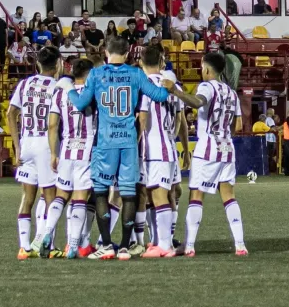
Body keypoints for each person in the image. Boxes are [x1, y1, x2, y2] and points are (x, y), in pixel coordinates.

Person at [57, 37, 170, 261]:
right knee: (128, 193)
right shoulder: (136, 74)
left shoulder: (97, 74)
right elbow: (160, 96)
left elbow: (80, 105)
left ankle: (107, 244)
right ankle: (126, 247)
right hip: (128, 141)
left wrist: (69, 87)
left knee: (100, 191)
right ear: (128, 54)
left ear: (106, 52)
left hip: (105, 142)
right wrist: (168, 85)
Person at [159, 52, 246, 257]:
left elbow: (197, 102)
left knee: (196, 196)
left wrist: (175, 91)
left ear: (206, 69)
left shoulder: (206, 86)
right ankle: (240, 245)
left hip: (207, 148)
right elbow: (239, 125)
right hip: (227, 148)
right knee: (229, 197)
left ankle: (188, 246)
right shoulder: (231, 92)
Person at [35, 59, 97, 259]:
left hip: (67, 149)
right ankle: (72, 245)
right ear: (89, 74)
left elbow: (52, 125)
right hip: (86, 150)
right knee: (80, 198)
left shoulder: (61, 93)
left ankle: (47, 233)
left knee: (61, 196)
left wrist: (54, 153)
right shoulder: (93, 93)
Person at [8, 47, 63, 260]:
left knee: (27, 197)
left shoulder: (25, 84)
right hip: (45, 143)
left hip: (26, 143)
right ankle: (48, 246)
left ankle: (24, 247)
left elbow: (10, 113)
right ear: (58, 63)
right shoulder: (58, 87)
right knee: (51, 198)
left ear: (37, 64)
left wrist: (17, 146)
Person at [133, 46, 183, 258]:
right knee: (163, 193)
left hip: (155, 149)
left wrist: (134, 146)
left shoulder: (144, 84)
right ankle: (161, 242)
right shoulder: (172, 86)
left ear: (142, 62)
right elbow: (179, 118)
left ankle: (164, 245)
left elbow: (142, 119)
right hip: (169, 147)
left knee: (158, 194)